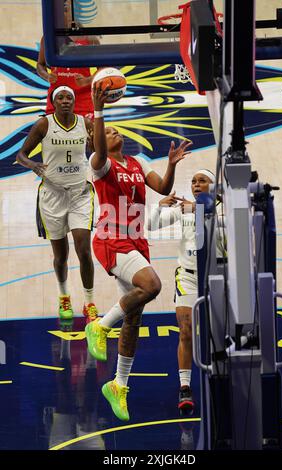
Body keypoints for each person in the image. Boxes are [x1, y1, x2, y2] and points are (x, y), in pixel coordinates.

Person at [85, 85, 192, 421]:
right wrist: (99, 113)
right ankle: (99, 327)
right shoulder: (98, 163)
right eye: (109, 131)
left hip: (135, 240)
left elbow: (161, 186)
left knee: (133, 317)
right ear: (99, 141)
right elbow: (99, 144)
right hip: (111, 237)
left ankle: (118, 385)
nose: (116, 133)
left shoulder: (136, 161)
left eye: (117, 129)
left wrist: (172, 165)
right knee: (152, 286)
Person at [16, 85, 98, 324]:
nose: (65, 100)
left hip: (80, 194)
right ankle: (64, 296)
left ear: (74, 102)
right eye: (60, 97)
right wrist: (33, 165)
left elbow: (93, 154)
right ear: (53, 102)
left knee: (84, 250)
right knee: (60, 256)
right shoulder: (44, 125)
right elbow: (21, 155)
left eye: (68, 97)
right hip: (52, 195)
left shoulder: (86, 123)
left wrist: (94, 144)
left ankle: (90, 302)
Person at [147, 169, 223, 414]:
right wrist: (160, 206)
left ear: (213, 186)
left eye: (202, 181)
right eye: (193, 181)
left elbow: (227, 233)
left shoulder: (225, 210)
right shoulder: (186, 210)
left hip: (217, 278)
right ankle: (185, 386)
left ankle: (219, 379)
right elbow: (150, 225)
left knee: (219, 334)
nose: (196, 184)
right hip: (188, 278)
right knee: (186, 331)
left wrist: (200, 211)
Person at [37, 1, 100, 119]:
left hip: (83, 99)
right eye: (62, 10)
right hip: (57, 98)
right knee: (55, 136)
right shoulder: (48, 38)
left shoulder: (90, 38)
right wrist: (47, 76)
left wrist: (87, 80)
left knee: (88, 136)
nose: (64, 14)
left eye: (67, 10)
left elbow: (103, 69)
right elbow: (40, 65)